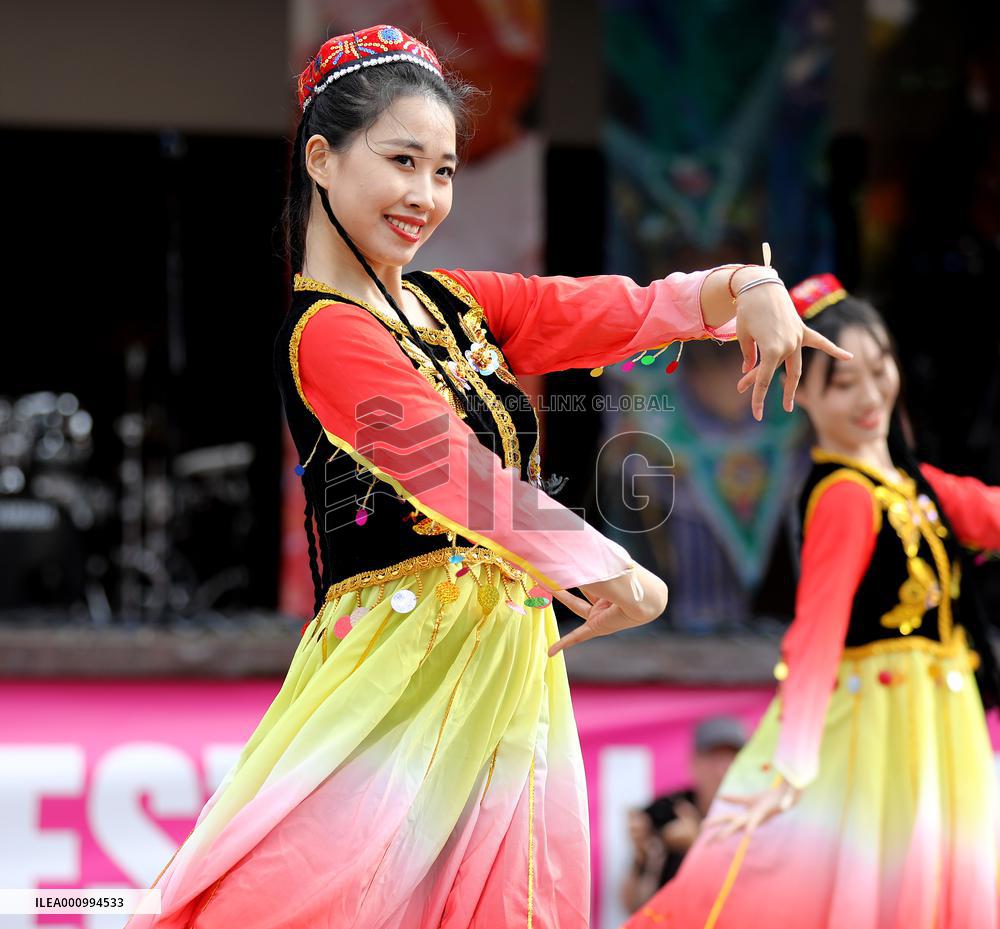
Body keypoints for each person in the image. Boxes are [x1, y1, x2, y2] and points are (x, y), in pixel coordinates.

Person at [125, 27, 847, 929]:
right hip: (394, 671)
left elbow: (613, 307)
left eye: (445, 170)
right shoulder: (325, 335)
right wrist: (603, 566)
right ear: (320, 157)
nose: (426, 196)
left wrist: (742, 286)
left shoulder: (456, 302)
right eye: (402, 161)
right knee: (310, 904)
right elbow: (448, 470)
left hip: (506, 657)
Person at [624, 274, 1000, 929]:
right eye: (842, 382)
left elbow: (988, 511)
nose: (869, 395)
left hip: (938, 720)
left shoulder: (914, 484)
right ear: (803, 392)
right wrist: (793, 757)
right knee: (844, 883)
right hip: (879, 728)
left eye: (879, 371)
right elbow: (817, 629)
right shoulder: (845, 495)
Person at [622, 717, 747, 914]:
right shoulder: (669, 811)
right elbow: (633, 905)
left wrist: (696, 847)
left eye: (731, 758)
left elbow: (742, 903)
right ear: (694, 764)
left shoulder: (758, 820)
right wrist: (642, 858)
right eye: (713, 758)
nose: (722, 770)